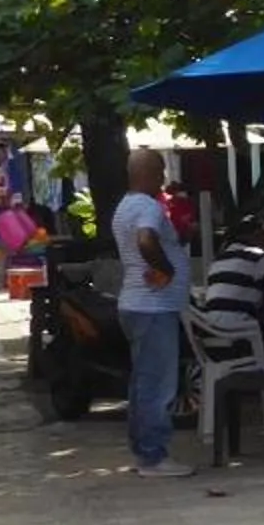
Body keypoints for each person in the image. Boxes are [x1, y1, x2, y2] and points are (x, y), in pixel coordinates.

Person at [113, 149, 192, 477]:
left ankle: (144, 450)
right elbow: (146, 240)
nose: (162, 178)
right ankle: (153, 456)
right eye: (159, 171)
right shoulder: (146, 206)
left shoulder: (125, 206)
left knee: (143, 382)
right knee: (158, 384)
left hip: (138, 304)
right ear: (146, 173)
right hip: (153, 306)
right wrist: (167, 269)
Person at [200, 212, 264, 353]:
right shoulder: (257, 256)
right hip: (240, 331)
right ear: (256, 235)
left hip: (213, 330)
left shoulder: (219, 260)